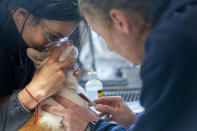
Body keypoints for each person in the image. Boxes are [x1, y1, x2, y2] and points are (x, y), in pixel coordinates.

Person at [42, 0, 197, 131]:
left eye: (102, 35)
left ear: (120, 21)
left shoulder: (170, 45)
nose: (109, 47)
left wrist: (92, 126)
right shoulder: (185, 18)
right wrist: (137, 120)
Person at [0, 0, 82, 130]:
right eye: (53, 36)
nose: (58, 45)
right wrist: (34, 91)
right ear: (22, 15)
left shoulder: (27, 40)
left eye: (63, 39)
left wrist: (62, 76)